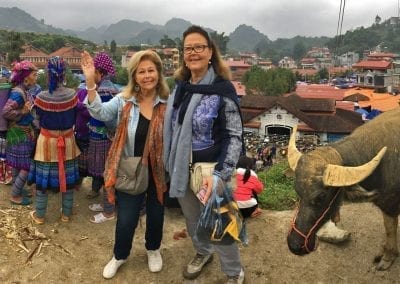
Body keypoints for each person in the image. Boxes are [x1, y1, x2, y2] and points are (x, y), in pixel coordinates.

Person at [163, 25, 245, 283]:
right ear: (183, 55)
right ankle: (202, 252)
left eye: (199, 47)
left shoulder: (222, 91)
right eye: (188, 48)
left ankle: (234, 271)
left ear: (210, 52)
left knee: (220, 225)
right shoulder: (180, 88)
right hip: (181, 168)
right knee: (193, 219)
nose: (193, 52)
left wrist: (221, 174)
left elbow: (234, 137)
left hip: (210, 170)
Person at [80, 49, 169, 278]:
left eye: (151, 70)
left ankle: (153, 249)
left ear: (158, 73)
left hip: (160, 170)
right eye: (141, 71)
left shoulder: (168, 104)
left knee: (156, 214)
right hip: (131, 169)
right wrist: (90, 81)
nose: (147, 75)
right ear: (134, 76)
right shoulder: (124, 101)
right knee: (127, 218)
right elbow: (98, 112)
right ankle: (120, 255)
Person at [28, 56, 81, 224]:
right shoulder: (73, 95)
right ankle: (66, 214)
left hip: (47, 142)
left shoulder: (41, 97)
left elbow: (35, 120)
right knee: (69, 178)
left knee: (42, 182)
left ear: (48, 75)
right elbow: (76, 115)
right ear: (63, 73)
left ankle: (40, 216)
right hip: (68, 141)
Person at [75, 52, 119, 223]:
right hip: (97, 136)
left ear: (100, 72)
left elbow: (108, 118)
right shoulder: (104, 87)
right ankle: (105, 204)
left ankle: (109, 211)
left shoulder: (105, 90)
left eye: (93, 71)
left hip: (103, 140)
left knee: (107, 173)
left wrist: (110, 134)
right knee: (102, 172)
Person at [2, 60, 38, 205]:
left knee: (17, 165)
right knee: (26, 166)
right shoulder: (18, 93)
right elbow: (6, 111)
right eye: (34, 75)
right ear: (25, 77)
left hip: (17, 134)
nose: (36, 78)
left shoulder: (22, 90)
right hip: (20, 135)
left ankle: (18, 189)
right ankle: (15, 195)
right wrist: (22, 111)